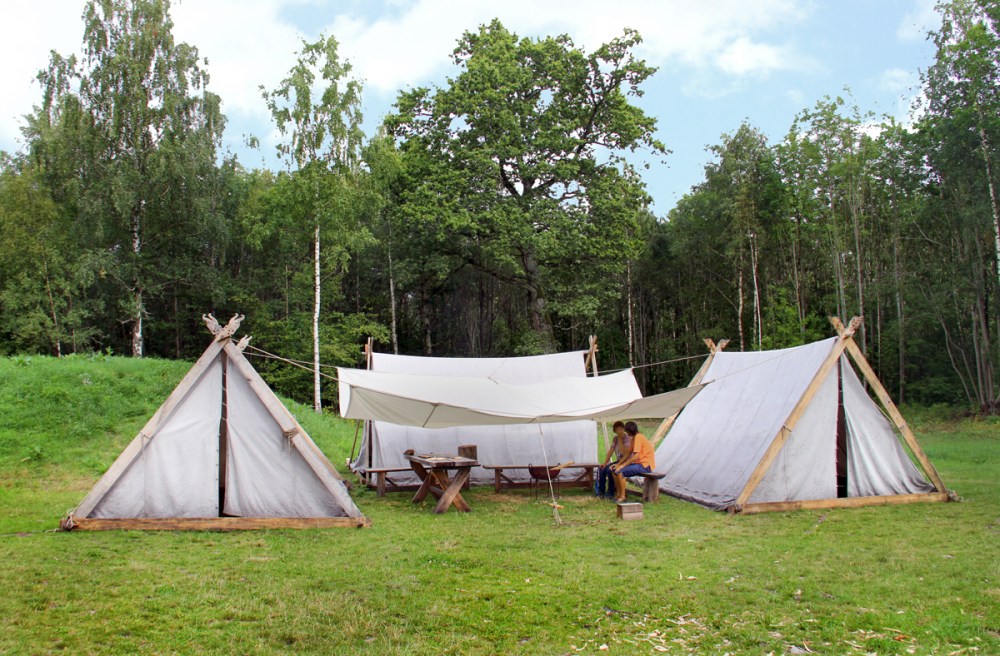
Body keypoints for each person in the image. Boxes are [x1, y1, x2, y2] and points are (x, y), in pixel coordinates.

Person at [610, 421, 655, 502]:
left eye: (626, 431)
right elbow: (627, 453)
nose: (626, 433)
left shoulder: (638, 437)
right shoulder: (634, 438)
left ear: (629, 431)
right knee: (614, 471)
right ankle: (618, 494)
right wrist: (618, 464)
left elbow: (636, 456)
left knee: (620, 472)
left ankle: (623, 497)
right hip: (639, 464)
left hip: (645, 465)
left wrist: (622, 466)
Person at [595, 421, 630, 499]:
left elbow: (624, 453)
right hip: (619, 461)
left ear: (624, 429)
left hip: (626, 461)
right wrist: (605, 463)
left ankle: (610, 492)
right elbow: (611, 451)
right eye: (617, 428)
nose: (619, 430)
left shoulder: (627, 438)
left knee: (610, 470)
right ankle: (601, 492)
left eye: (620, 428)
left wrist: (620, 439)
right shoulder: (615, 438)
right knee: (602, 469)